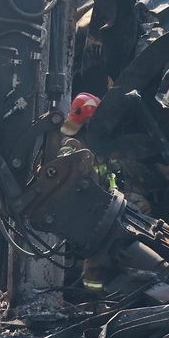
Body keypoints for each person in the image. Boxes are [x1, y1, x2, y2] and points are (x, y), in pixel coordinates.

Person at [60, 92, 151, 294]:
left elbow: (110, 172)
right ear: (87, 121)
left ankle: (126, 260)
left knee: (141, 207)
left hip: (108, 199)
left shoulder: (98, 143)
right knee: (97, 251)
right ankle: (94, 299)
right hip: (88, 207)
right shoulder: (72, 145)